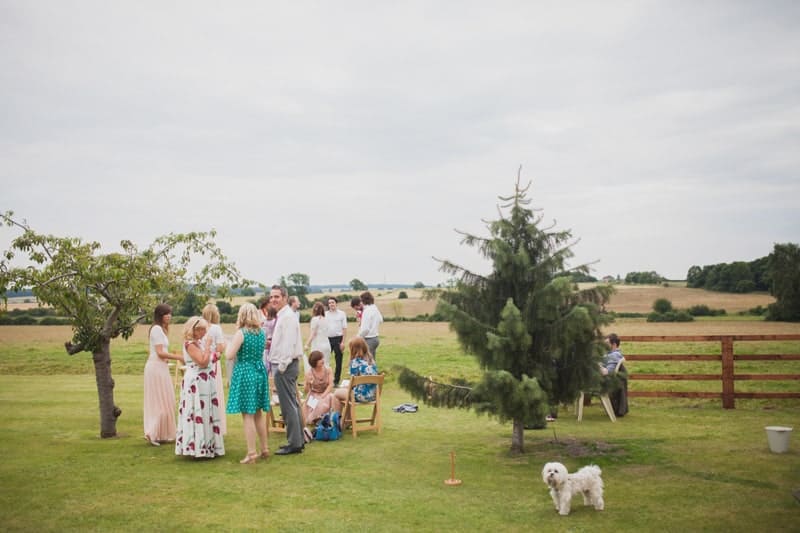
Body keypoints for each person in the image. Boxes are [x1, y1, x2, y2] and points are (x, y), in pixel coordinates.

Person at [226, 303, 271, 464]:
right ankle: (265, 448)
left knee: (247, 414)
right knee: (258, 412)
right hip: (259, 371)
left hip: (245, 372)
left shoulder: (241, 333)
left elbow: (229, 355)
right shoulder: (261, 333)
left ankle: (252, 453)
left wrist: (227, 346)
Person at [175, 316, 225, 458]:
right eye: (201, 329)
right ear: (194, 330)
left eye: (205, 329)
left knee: (207, 412)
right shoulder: (190, 344)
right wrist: (209, 346)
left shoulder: (199, 343)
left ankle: (209, 445)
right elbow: (202, 362)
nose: (204, 332)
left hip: (206, 381)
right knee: (197, 411)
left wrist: (214, 354)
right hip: (196, 381)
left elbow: (208, 358)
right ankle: (197, 446)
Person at [268, 285, 305, 455]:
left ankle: (294, 443)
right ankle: (298, 440)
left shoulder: (288, 317)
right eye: (271, 297)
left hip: (285, 366)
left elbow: (289, 345)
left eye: (277, 296)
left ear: (284, 297)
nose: (273, 300)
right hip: (284, 364)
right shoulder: (283, 316)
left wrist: (281, 366)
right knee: (292, 403)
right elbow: (283, 342)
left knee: (288, 405)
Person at [143, 303, 183, 446]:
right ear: (160, 316)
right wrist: (178, 357)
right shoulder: (157, 329)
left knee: (167, 400)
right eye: (167, 314)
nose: (169, 316)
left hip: (161, 367)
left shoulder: (161, 330)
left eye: (170, 314)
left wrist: (168, 358)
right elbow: (159, 353)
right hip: (156, 368)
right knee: (160, 401)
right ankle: (152, 432)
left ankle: (162, 433)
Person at [202, 303, 227, 435]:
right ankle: (217, 426)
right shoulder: (216, 328)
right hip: (213, 361)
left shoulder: (200, 327)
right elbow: (220, 347)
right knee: (215, 393)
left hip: (202, 361)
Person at [335, 336, 379, 404]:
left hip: (359, 396)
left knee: (336, 393)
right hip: (373, 395)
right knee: (344, 394)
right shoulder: (371, 361)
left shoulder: (355, 362)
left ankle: (337, 414)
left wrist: (346, 386)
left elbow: (353, 384)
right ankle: (346, 415)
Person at [302, 350, 340, 424]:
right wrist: (307, 382)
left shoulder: (328, 370)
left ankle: (331, 419)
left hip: (326, 393)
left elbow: (331, 385)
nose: (322, 360)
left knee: (332, 397)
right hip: (313, 395)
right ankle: (317, 419)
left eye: (322, 358)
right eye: (320, 359)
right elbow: (306, 391)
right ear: (314, 362)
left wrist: (323, 395)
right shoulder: (309, 373)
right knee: (317, 404)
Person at [601, 333, 628, 417]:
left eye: (606, 344)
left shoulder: (614, 355)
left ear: (614, 345)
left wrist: (596, 364)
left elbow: (606, 372)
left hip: (604, 380)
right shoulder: (610, 354)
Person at [325, 297, 348, 386]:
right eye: (329, 303)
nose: (331, 304)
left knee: (338, 361)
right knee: (325, 359)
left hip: (338, 338)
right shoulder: (325, 314)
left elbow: (344, 328)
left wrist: (343, 342)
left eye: (333, 302)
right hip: (327, 339)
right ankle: (326, 380)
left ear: (336, 303)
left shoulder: (342, 314)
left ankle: (336, 381)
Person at [358, 291, 383, 359]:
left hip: (368, 339)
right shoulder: (375, 308)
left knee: (366, 362)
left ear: (363, 300)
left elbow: (365, 329)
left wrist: (358, 337)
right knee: (372, 361)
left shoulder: (367, 311)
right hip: (376, 338)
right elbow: (381, 320)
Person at [306, 301, 331, 369]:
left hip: (318, 345)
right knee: (326, 364)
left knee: (316, 365)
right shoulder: (326, 319)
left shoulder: (314, 319)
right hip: (327, 344)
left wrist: (307, 345)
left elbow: (313, 334)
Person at [259, 298, 277, 373]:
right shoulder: (275, 322)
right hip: (273, 341)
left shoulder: (264, 322)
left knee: (265, 359)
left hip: (266, 341)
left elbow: (263, 332)